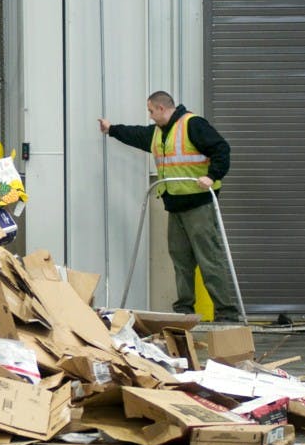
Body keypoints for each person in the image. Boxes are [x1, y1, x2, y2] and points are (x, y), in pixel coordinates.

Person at [98, 91, 240, 322]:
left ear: (162, 108)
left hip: (198, 205)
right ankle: (184, 311)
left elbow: (221, 149)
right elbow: (136, 134)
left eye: (151, 111)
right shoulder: (157, 133)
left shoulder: (192, 125)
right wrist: (112, 129)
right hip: (175, 207)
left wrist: (212, 176)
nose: (151, 116)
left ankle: (227, 314)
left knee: (209, 259)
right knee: (181, 261)